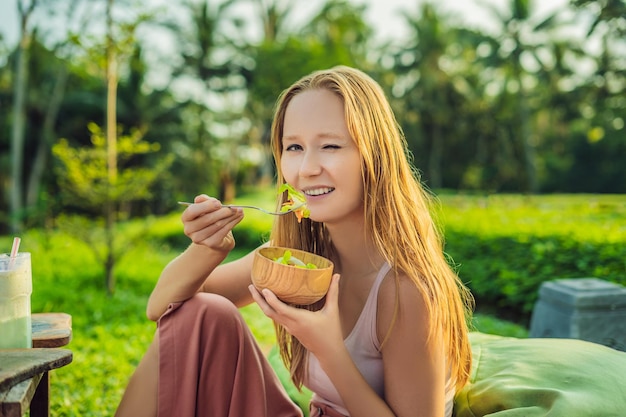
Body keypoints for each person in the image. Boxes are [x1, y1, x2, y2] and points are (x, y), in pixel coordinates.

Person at [115, 65, 474, 417]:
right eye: (294, 148)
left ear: (375, 158)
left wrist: (329, 349)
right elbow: (162, 309)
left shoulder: (407, 290)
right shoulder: (299, 263)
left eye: (330, 146)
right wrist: (206, 250)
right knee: (205, 312)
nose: (306, 169)